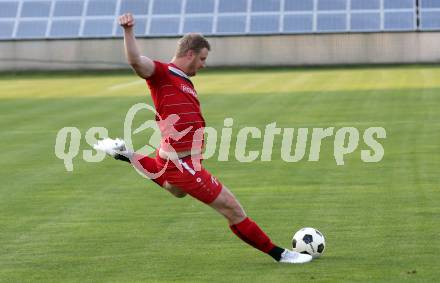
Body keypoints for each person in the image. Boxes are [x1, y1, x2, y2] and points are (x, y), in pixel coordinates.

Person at [95, 13, 313, 264]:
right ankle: (280, 254)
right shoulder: (162, 73)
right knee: (232, 208)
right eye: (202, 58)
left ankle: (126, 154)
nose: (203, 64)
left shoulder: (183, 80)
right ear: (190, 53)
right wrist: (129, 30)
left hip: (178, 159)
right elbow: (135, 61)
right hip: (182, 163)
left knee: (175, 191)